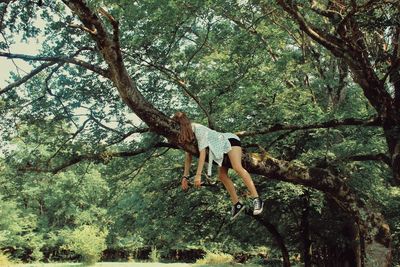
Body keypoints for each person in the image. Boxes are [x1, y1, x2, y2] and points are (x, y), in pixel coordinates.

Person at [172, 111, 263, 220]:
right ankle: (237, 205)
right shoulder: (187, 135)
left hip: (229, 140)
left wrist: (198, 175)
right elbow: (188, 156)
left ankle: (257, 199)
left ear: (182, 125)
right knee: (222, 176)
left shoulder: (198, 129)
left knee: (237, 167)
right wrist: (185, 176)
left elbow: (202, 153)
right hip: (220, 148)